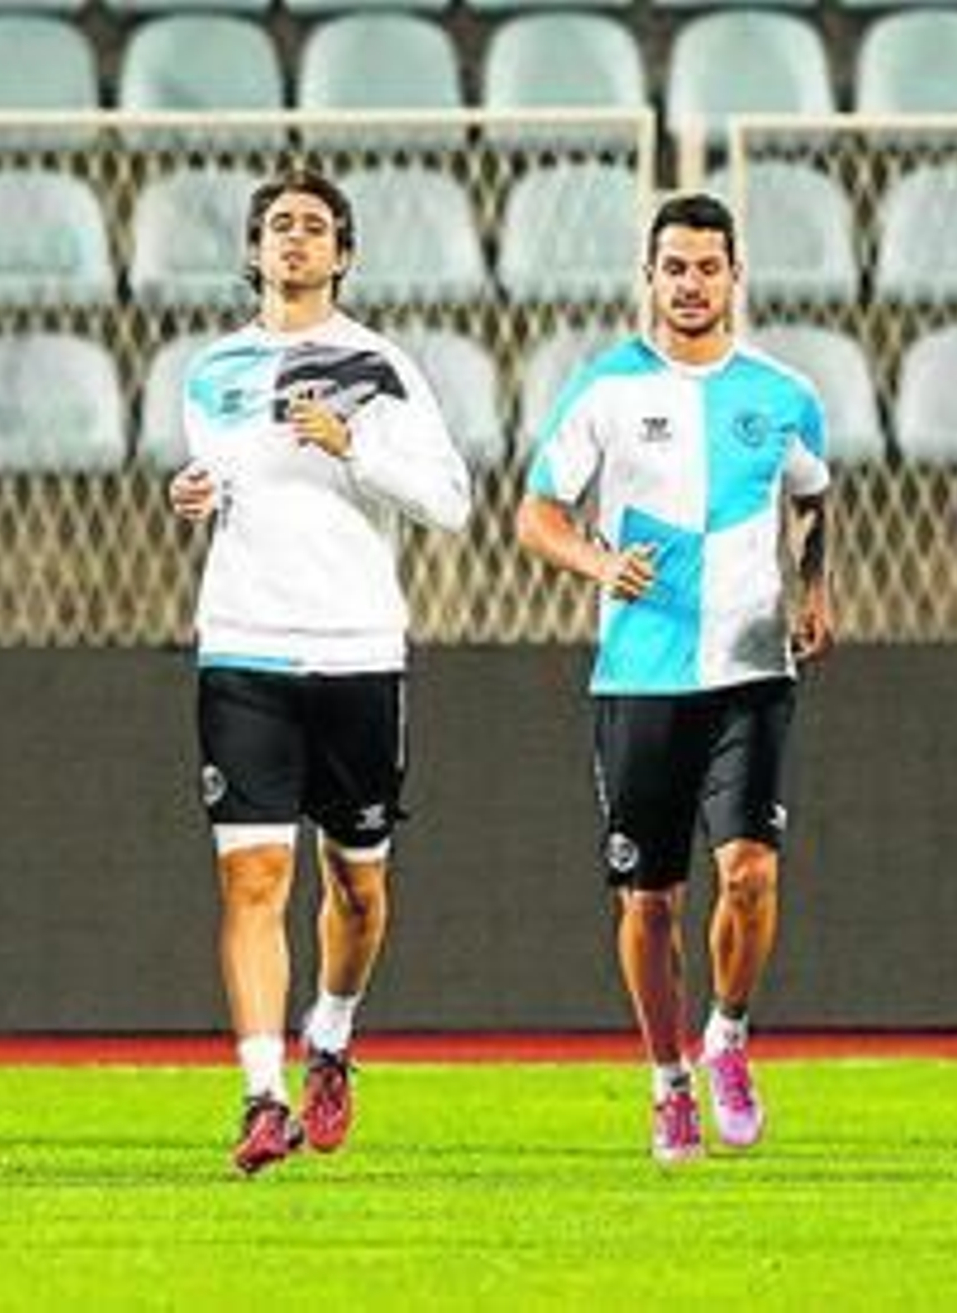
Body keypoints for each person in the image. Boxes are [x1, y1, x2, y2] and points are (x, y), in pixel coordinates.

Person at [515, 192, 834, 1165]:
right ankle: (667, 1082)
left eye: (707, 266)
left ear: (735, 275)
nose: (690, 284)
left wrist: (815, 585)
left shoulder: (784, 394)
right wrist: (597, 563)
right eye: (673, 267)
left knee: (751, 871)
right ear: (649, 277)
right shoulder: (606, 388)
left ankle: (727, 1035)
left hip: (748, 666)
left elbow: (813, 495)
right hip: (641, 675)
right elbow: (535, 514)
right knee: (649, 904)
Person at [168, 168, 472, 1175]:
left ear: (342, 253)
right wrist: (194, 492)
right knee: (253, 875)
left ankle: (331, 1036)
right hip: (243, 639)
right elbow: (230, 486)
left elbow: (450, 502)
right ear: (252, 250)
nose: (293, 240)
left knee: (358, 884)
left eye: (313, 227)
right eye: (277, 226)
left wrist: (355, 449)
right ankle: (261, 1092)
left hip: (354, 646)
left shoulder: (379, 366)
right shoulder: (209, 370)